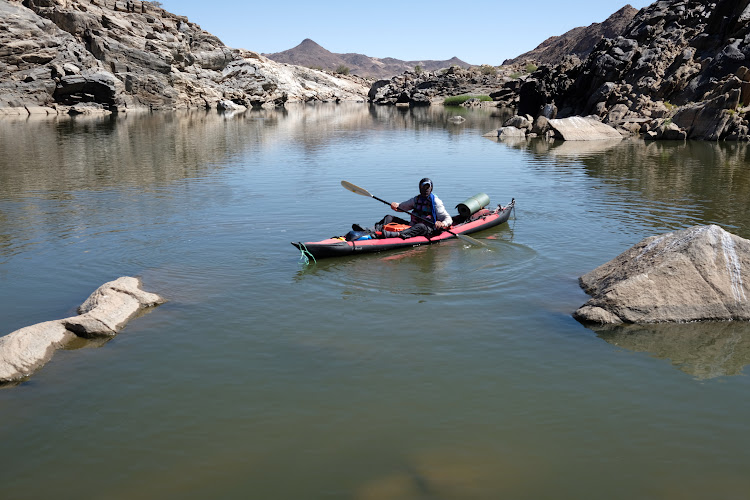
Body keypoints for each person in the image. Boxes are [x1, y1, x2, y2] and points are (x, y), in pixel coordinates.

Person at [375, 178, 453, 239]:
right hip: (412, 226)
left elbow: (448, 218)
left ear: (431, 188)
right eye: (423, 187)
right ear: (420, 188)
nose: (425, 189)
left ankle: (396, 235)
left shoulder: (436, 202)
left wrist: (442, 223)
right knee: (389, 217)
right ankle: (374, 230)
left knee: (420, 226)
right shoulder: (416, 200)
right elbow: (402, 207)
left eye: (427, 187)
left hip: (428, 229)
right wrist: (395, 205)